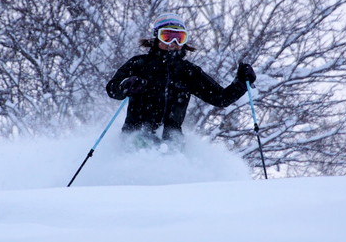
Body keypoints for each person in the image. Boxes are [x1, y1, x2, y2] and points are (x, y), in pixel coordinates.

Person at [106, 13, 256, 149]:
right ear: (155, 38)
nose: (173, 42)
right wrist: (125, 84)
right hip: (136, 134)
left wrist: (241, 83)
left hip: (171, 139)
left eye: (179, 38)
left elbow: (220, 98)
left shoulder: (188, 72)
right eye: (167, 36)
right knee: (142, 152)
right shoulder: (139, 64)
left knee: (172, 165)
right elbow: (112, 89)